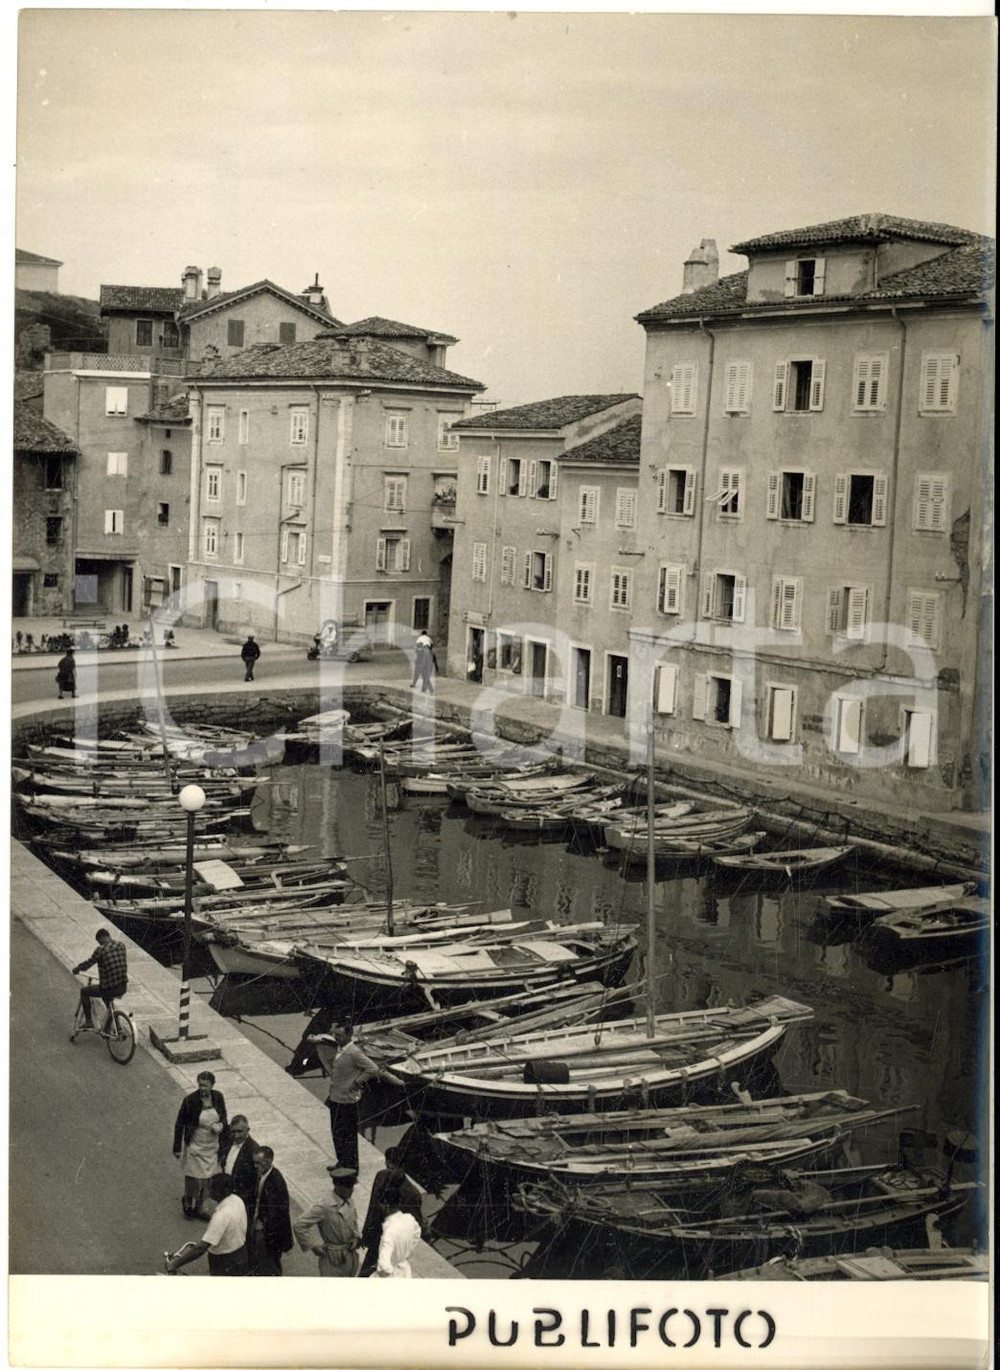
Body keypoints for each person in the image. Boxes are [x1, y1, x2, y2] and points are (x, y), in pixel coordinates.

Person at [309, 1021, 405, 1173]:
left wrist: (356, 1082)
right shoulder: (340, 1049)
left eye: (339, 1035)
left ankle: (352, 1166)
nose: (336, 1038)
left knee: (348, 1135)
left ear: (348, 1035)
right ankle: (342, 1162)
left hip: (347, 1101)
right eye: (335, 1035)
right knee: (337, 1133)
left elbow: (372, 1069)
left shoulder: (354, 1052)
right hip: (336, 1098)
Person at [358, 1147, 425, 1277]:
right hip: (376, 1238)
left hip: (393, 1244)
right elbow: (372, 1208)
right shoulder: (381, 1177)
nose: (392, 1171)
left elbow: (416, 1226)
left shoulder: (412, 1194)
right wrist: (366, 1234)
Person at [164, 1174, 248, 1276]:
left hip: (224, 1261)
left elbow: (201, 1248)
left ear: (221, 1191)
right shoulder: (237, 1200)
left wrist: (174, 1264)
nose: (209, 1190)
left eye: (212, 1187)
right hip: (241, 1254)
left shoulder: (221, 1215)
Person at [173, 1070, 228, 1220]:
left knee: (207, 1178)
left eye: (206, 1086)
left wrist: (221, 1126)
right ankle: (188, 1202)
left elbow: (224, 1117)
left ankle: (200, 1207)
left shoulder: (218, 1097)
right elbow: (180, 1123)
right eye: (200, 1085)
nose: (203, 1089)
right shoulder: (190, 1100)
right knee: (193, 1177)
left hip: (211, 1146)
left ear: (212, 1085)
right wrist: (177, 1147)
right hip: (195, 1144)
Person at [293, 1167, 361, 1277]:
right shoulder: (324, 1205)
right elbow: (299, 1224)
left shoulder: (349, 1200)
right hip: (332, 1257)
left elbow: (353, 1223)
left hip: (350, 1254)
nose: (352, 1190)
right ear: (337, 1186)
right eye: (348, 1187)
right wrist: (313, 1246)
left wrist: (356, 1238)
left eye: (352, 1186)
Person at [247, 1146, 294, 1276]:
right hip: (260, 1227)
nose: (255, 1166)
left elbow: (278, 1213)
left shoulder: (276, 1182)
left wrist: (263, 1226)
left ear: (269, 1161)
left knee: (270, 1264)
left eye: (258, 1163)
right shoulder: (262, 1173)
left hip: (269, 1234)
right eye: (254, 1162)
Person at [71, 927, 127, 1029]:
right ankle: (117, 1026)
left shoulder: (100, 950)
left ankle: (89, 1022)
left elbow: (88, 963)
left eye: (99, 941)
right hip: (122, 987)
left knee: (84, 991)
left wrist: (77, 969)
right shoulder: (121, 945)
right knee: (108, 999)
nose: (99, 944)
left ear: (102, 938)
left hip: (108, 988)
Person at [375, 1178, 423, 1278]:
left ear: (386, 1205)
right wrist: (405, 1252)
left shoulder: (389, 1232)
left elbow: (384, 1266)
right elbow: (417, 1234)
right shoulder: (409, 1219)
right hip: (404, 1269)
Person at [218, 1115, 258, 1209]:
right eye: (233, 1132)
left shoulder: (254, 1150)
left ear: (247, 1130)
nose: (236, 1135)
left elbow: (254, 1183)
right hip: (225, 1195)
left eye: (239, 1131)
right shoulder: (227, 1141)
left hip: (241, 1201)